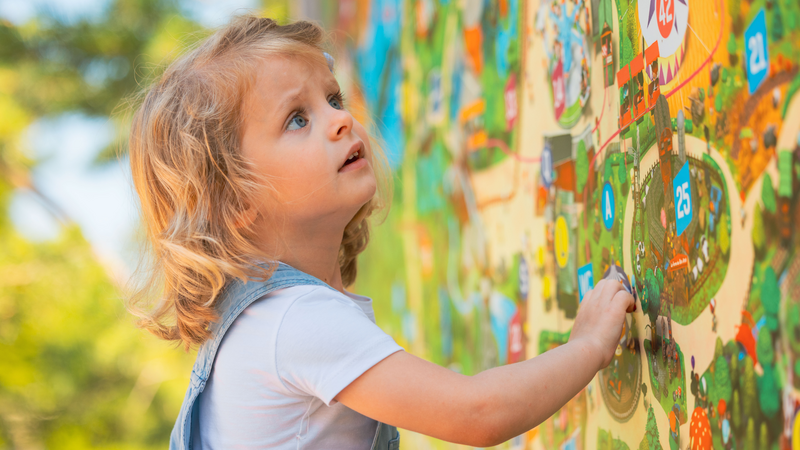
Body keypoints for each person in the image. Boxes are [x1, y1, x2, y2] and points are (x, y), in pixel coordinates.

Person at [126, 15, 635, 450]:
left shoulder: (267, 321)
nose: (341, 120)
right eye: (297, 119)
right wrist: (588, 345)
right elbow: (477, 413)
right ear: (236, 202)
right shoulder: (294, 321)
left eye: (333, 98)